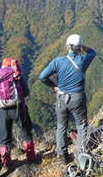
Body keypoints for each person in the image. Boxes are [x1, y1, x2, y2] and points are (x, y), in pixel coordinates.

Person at [39, 34, 96, 164]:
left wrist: (53, 86)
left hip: (61, 98)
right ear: (79, 47)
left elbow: (42, 76)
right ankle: (80, 154)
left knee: (61, 126)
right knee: (81, 126)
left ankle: (63, 155)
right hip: (77, 98)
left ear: (67, 46)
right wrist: (82, 47)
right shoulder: (83, 60)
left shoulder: (58, 61)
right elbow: (92, 52)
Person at [0, 58, 39, 167]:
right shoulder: (15, 74)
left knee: (4, 137)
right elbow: (26, 92)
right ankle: (31, 157)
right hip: (18, 108)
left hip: (2, 110)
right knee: (25, 132)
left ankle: (6, 162)